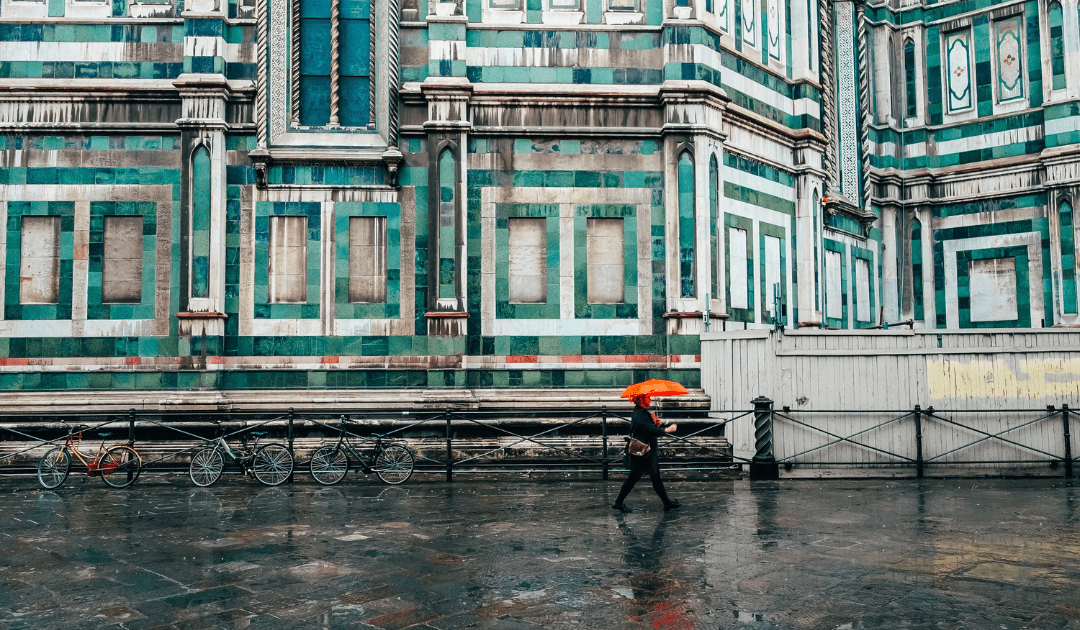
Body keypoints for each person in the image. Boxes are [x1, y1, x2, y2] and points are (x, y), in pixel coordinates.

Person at [611, 394, 681, 513]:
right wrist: (666, 429)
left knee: (653, 477)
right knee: (636, 478)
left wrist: (656, 423)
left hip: (645, 451)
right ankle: (618, 502)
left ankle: (666, 503)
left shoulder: (640, 412)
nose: (649, 399)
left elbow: (647, 428)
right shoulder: (641, 414)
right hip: (643, 453)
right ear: (640, 400)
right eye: (647, 398)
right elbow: (649, 430)